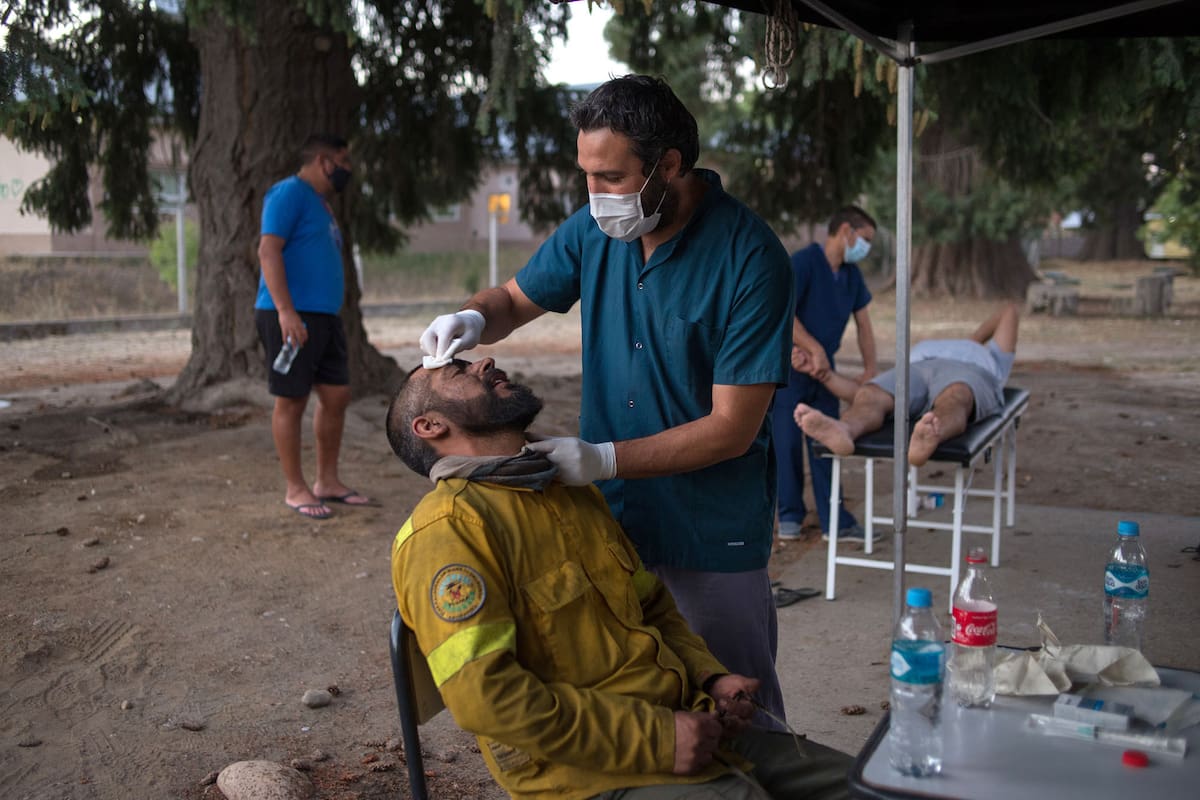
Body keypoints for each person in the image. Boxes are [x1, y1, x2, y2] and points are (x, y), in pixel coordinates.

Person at [417, 76, 794, 725]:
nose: (595, 195)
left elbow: (732, 429)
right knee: (633, 706)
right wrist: (471, 317)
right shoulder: (594, 232)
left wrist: (600, 460)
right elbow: (511, 299)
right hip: (610, 527)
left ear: (668, 166)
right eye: (586, 175)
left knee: (737, 710)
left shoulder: (751, 259)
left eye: (611, 176)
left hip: (711, 533)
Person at [386, 357, 852, 800]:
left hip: (686, 721)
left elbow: (653, 608)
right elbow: (487, 700)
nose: (482, 362)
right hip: (580, 773)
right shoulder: (447, 532)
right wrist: (658, 739)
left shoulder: (568, 493)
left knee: (870, 783)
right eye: (457, 370)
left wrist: (708, 676)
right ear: (430, 426)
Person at [254, 133, 372, 520]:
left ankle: (327, 481)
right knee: (292, 399)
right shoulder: (288, 193)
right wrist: (286, 312)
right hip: (290, 315)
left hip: (324, 316)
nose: (347, 170)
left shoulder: (321, 205)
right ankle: (295, 488)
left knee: (336, 396)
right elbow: (268, 250)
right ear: (325, 161)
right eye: (343, 161)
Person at [794, 303, 1020, 467]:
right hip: (917, 367)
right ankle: (844, 430)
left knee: (956, 396)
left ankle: (930, 435)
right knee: (869, 394)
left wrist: (974, 341)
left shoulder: (991, 357)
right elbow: (855, 392)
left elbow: (1009, 311)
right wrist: (823, 374)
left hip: (969, 372)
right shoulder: (943, 348)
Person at [772, 206, 878, 545]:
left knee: (829, 440)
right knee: (786, 442)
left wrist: (870, 370)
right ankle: (789, 515)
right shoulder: (803, 263)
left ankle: (836, 519)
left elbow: (864, 325)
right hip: (790, 366)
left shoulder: (852, 276)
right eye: (865, 240)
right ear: (845, 230)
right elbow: (782, 312)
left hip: (824, 371)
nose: (867, 248)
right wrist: (810, 348)